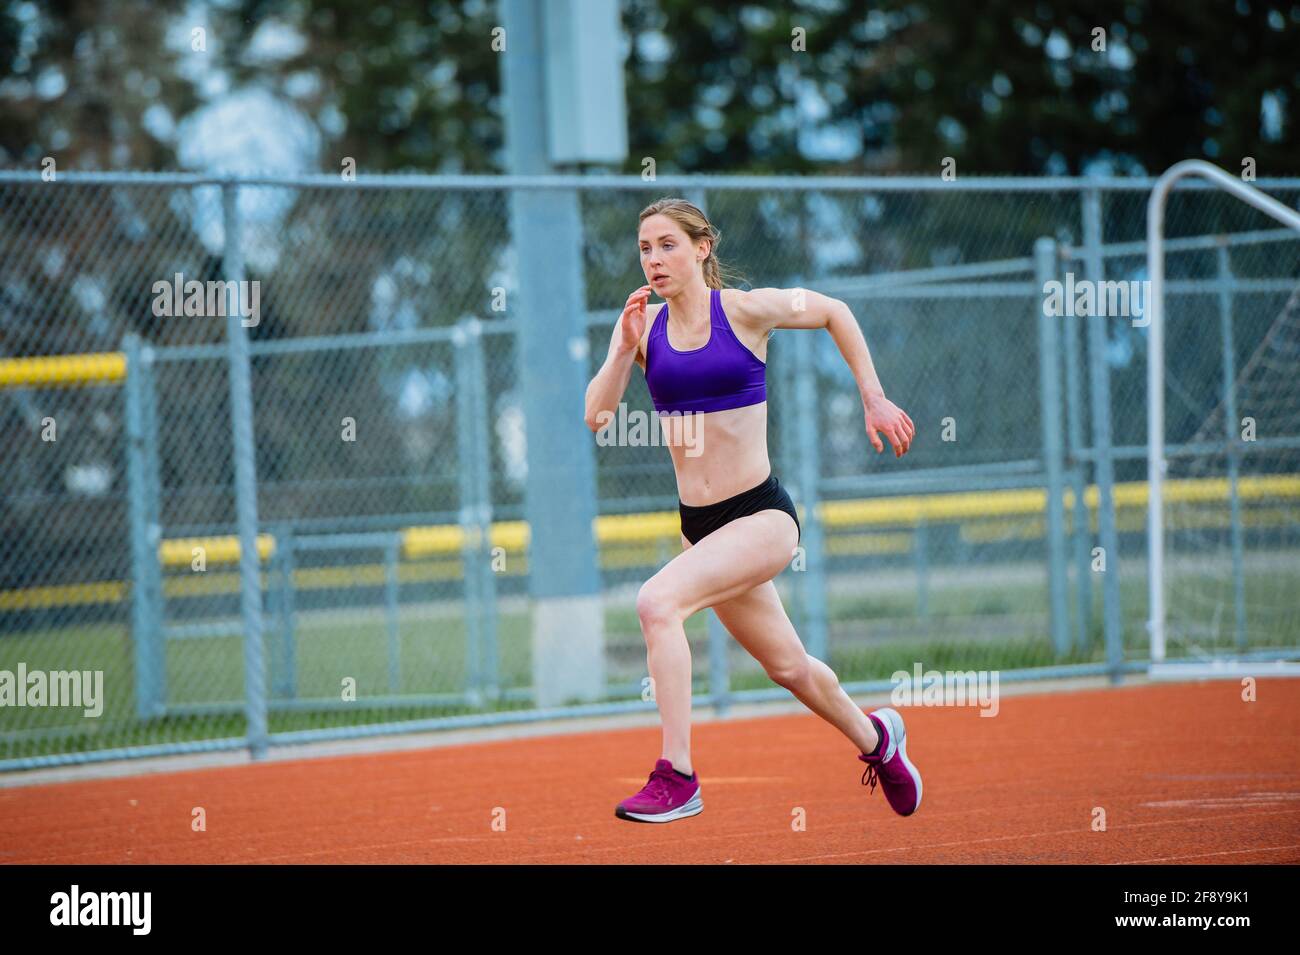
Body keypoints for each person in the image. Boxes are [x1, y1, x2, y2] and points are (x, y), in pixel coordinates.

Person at [583, 197, 921, 823]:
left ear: (701, 248)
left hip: (762, 518)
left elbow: (833, 311)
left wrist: (872, 398)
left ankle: (677, 775)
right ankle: (879, 741)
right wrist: (621, 352)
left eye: (668, 245)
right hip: (700, 530)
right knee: (790, 668)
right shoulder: (640, 326)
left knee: (657, 604)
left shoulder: (743, 311)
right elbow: (597, 416)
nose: (654, 260)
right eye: (645, 249)